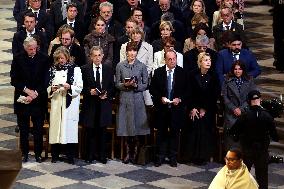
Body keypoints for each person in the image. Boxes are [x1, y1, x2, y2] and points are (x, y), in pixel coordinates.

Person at [10, 37, 49, 163]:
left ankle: (38, 153)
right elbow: (14, 79)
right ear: (25, 48)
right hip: (23, 98)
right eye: (30, 49)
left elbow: (46, 80)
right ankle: (24, 153)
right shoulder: (18, 58)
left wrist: (35, 93)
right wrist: (27, 91)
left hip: (38, 99)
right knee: (24, 129)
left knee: (38, 129)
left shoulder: (43, 58)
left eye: (35, 48)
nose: (33, 51)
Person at [230, 90, 279, 189]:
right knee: (262, 177)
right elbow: (275, 136)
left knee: (243, 175)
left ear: (249, 100)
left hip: (247, 149)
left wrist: (237, 137)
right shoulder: (267, 115)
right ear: (260, 100)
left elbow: (233, 131)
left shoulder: (244, 115)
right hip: (262, 150)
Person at [150, 50, 188, 167]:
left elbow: (188, 91)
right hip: (162, 109)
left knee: (174, 133)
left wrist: (180, 99)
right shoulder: (158, 72)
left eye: (174, 59)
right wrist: (160, 98)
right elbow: (153, 89)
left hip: (176, 109)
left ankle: (173, 157)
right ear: (165, 60)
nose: (172, 61)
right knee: (161, 133)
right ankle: (160, 156)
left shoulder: (183, 73)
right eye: (170, 59)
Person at [47, 46, 83, 164]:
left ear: (67, 57)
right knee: (56, 129)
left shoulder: (75, 69)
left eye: (62, 58)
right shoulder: (52, 69)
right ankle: (55, 155)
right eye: (58, 59)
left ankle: (70, 156)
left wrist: (70, 87)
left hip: (70, 103)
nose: (60, 60)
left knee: (69, 129)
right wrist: (51, 88)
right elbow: (47, 86)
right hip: (57, 102)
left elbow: (79, 87)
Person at [116, 41, 149, 164]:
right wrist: (125, 85)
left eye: (134, 51)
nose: (132, 53)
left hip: (137, 99)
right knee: (126, 127)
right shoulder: (120, 66)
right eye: (130, 50)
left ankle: (134, 153)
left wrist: (136, 86)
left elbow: (146, 84)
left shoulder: (141, 66)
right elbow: (117, 84)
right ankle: (127, 153)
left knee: (136, 127)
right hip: (125, 98)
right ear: (126, 52)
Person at [81, 46, 114, 164]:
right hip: (90, 105)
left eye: (99, 55)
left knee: (102, 131)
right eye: (94, 55)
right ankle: (89, 155)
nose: (97, 58)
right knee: (90, 131)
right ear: (90, 57)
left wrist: (107, 94)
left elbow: (112, 87)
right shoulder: (84, 69)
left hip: (104, 104)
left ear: (102, 56)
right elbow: (80, 87)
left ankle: (102, 155)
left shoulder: (108, 69)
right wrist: (89, 91)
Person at [186, 52, 219, 164]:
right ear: (200, 62)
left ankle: (205, 156)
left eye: (209, 60)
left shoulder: (214, 76)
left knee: (205, 126)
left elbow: (215, 94)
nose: (208, 62)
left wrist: (204, 108)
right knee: (194, 124)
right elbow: (188, 93)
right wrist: (193, 107)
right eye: (205, 60)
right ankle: (192, 155)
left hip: (208, 109)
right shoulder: (191, 75)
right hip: (194, 108)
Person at [221, 61, 256, 150]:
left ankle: (243, 158)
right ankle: (230, 157)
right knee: (230, 136)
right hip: (231, 113)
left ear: (243, 70)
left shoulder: (250, 79)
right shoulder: (227, 80)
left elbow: (252, 96)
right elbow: (225, 97)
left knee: (244, 135)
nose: (237, 71)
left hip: (245, 111)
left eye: (240, 69)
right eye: (235, 69)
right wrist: (234, 109)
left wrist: (241, 108)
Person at [120, 27, 154, 106]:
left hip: (142, 80)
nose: (135, 35)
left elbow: (149, 66)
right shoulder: (124, 46)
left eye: (138, 33)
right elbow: (122, 64)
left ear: (141, 35)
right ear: (130, 35)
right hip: (127, 80)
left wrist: (140, 77)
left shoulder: (149, 47)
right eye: (133, 33)